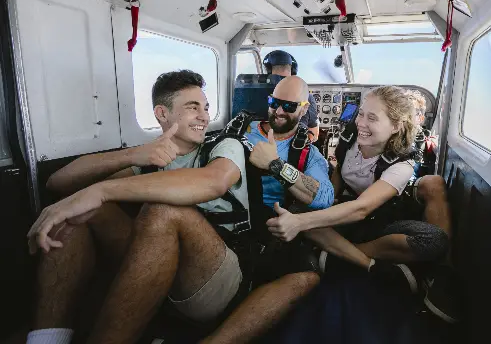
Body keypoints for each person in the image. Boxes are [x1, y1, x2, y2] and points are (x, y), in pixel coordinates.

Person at [25, 70, 319, 344]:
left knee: (163, 211)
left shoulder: (225, 145)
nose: (204, 116)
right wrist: (132, 155)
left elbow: (214, 181)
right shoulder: (151, 158)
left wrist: (101, 191)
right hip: (153, 261)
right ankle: (46, 338)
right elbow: (57, 182)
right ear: (162, 114)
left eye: (206, 107)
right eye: (194, 107)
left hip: (218, 270)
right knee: (75, 212)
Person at [265, 86, 457, 320]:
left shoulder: (402, 164)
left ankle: (346, 257)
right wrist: (322, 204)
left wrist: (300, 223)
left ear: (396, 126)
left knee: (434, 240)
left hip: (381, 219)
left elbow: (362, 208)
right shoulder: (349, 135)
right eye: (362, 114)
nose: (361, 123)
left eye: (372, 118)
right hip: (349, 211)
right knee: (298, 208)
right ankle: (368, 262)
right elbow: (337, 177)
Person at [263, 50, 320, 141]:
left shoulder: (253, 92)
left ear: (268, 70)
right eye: (274, 103)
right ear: (293, 71)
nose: (279, 111)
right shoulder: (306, 96)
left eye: (289, 106)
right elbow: (314, 135)